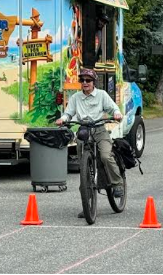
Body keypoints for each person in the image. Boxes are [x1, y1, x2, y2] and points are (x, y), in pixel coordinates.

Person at [56, 69, 124, 217]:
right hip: (83, 132)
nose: (85, 83)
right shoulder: (75, 98)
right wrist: (63, 119)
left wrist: (116, 114)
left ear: (94, 82)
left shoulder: (102, 95)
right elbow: (68, 113)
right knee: (84, 169)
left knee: (106, 156)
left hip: (99, 130)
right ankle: (87, 205)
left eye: (88, 80)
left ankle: (117, 184)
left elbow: (113, 108)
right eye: (83, 80)